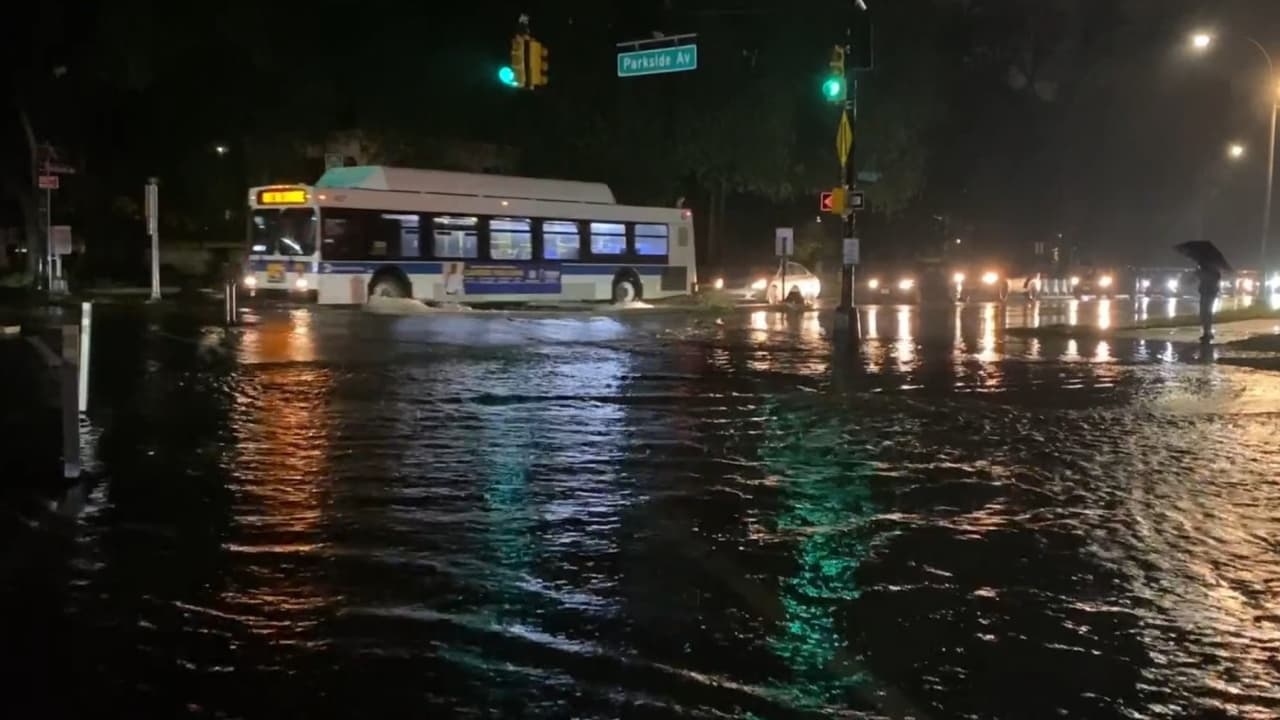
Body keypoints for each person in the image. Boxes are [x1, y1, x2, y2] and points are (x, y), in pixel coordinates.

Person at [1197, 263, 1221, 342]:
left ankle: (1207, 332)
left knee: (1206, 312)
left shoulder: (1213, 269)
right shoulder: (1204, 267)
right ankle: (1206, 332)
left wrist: (1202, 274)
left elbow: (1216, 278)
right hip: (1205, 292)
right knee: (1204, 312)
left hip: (1209, 292)